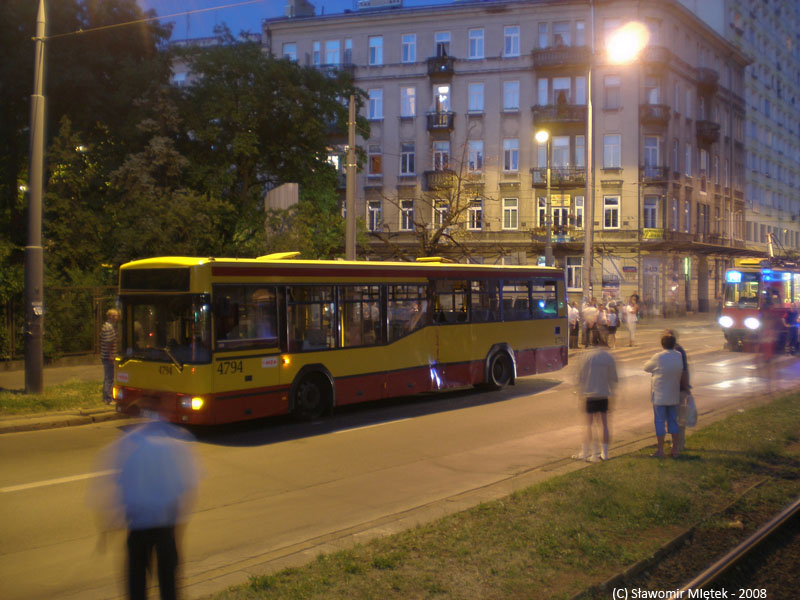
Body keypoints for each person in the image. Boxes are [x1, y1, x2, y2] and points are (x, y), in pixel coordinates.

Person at [90, 420, 199, 600]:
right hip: (166, 525)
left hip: (138, 525)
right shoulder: (176, 442)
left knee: (137, 582)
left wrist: (109, 521)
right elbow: (187, 487)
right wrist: (179, 526)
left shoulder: (126, 444)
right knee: (168, 582)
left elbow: (112, 485)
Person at [643, 333, 684, 459]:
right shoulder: (679, 355)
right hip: (673, 394)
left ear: (662, 344)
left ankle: (660, 450)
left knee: (660, 422)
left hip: (660, 395)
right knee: (673, 421)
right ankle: (675, 449)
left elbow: (646, 367)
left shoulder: (658, 357)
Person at [574, 346, 618, 461]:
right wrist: (613, 395)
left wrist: (579, 394)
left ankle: (585, 452)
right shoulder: (608, 357)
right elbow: (613, 378)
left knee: (588, 424)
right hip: (603, 394)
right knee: (604, 424)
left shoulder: (585, 356)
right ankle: (605, 453)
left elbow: (579, 377)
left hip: (589, 394)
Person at [664, 329, 690, 451]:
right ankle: (677, 443)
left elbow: (682, 371)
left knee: (678, 418)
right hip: (674, 388)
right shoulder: (674, 351)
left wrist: (685, 387)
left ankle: (678, 444)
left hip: (677, 389)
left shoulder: (677, 351)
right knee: (674, 417)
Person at [100, 308, 119, 404]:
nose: (117, 317)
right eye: (115, 315)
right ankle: (108, 398)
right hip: (108, 356)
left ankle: (106, 397)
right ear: (110, 316)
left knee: (108, 377)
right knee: (109, 377)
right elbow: (109, 343)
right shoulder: (109, 327)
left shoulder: (108, 326)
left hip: (106, 355)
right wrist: (111, 356)